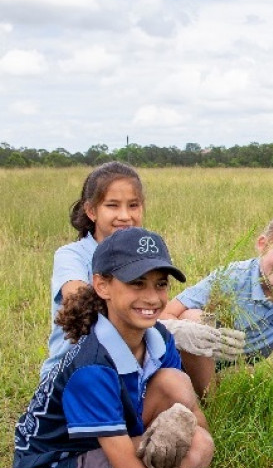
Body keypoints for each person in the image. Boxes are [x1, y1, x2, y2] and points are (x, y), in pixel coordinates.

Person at [14, 227, 263, 468]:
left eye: (160, 284)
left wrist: (180, 422)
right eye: (136, 283)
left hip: (99, 453)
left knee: (192, 427)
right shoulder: (92, 367)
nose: (152, 297)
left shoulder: (157, 336)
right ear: (102, 285)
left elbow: (200, 425)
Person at [42, 161, 244, 382]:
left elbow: (155, 302)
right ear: (91, 210)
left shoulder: (146, 249)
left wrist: (184, 328)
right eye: (112, 205)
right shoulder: (72, 255)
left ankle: (209, 401)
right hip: (78, 369)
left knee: (190, 327)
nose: (125, 216)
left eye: (133, 205)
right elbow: (78, 301)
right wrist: (171, 330)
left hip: (132, 365)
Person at [162, 213, 273, 396]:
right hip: (194, 358)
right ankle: (210, 400)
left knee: (246, 378)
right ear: (263, 245)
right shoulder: (234, 276)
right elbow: (167, 313)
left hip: (240, 364)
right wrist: (186, 332)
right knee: (193, 318)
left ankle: (217, 391)